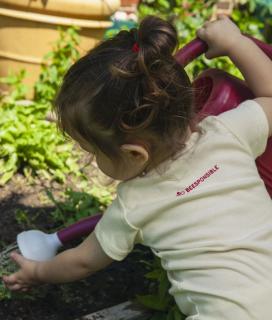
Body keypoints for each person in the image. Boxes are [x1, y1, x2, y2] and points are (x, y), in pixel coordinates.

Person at [3, 15, 272, 319]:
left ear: (134, 154)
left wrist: (37, 272)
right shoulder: (229, 133)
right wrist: (235, 43)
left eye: (92, 152)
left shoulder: (135, 204)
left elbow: (82, 261)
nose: (91, 161)